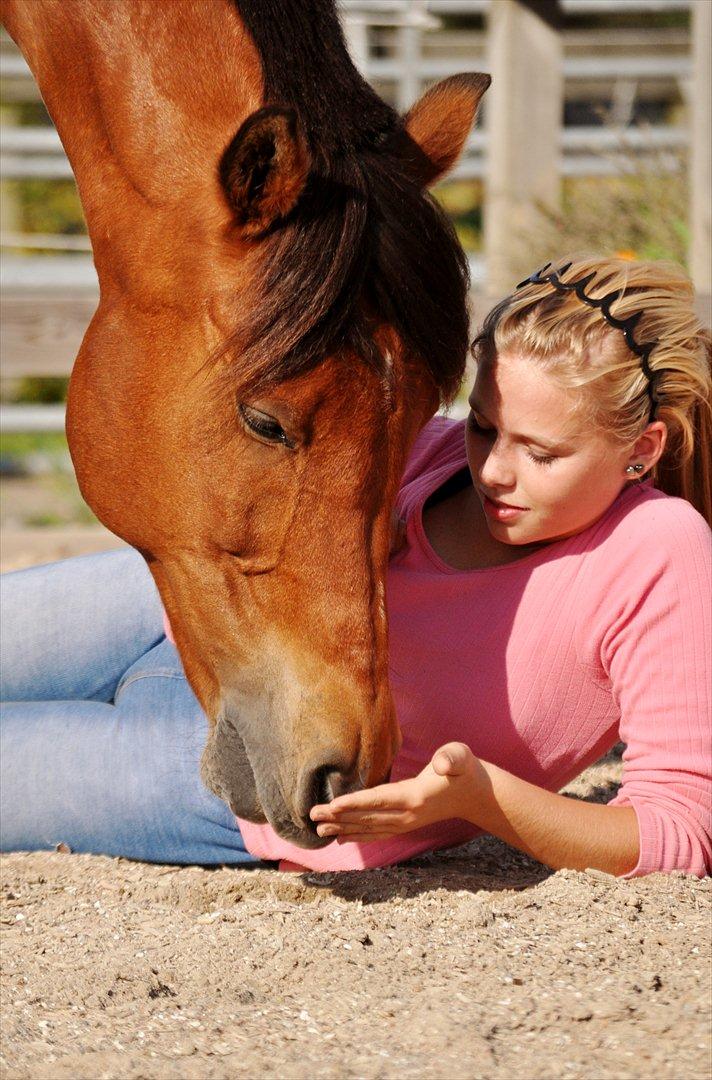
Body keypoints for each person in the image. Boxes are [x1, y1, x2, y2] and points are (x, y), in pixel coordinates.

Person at [2, 255, 710, 877]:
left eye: (542, 454)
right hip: (177, 614)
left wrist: (479, 799)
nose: (494, 470)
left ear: (641, 450)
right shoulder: (430, 453)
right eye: (484, 426)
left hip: (237, 777)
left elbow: (681, 830)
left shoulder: (657, 553)